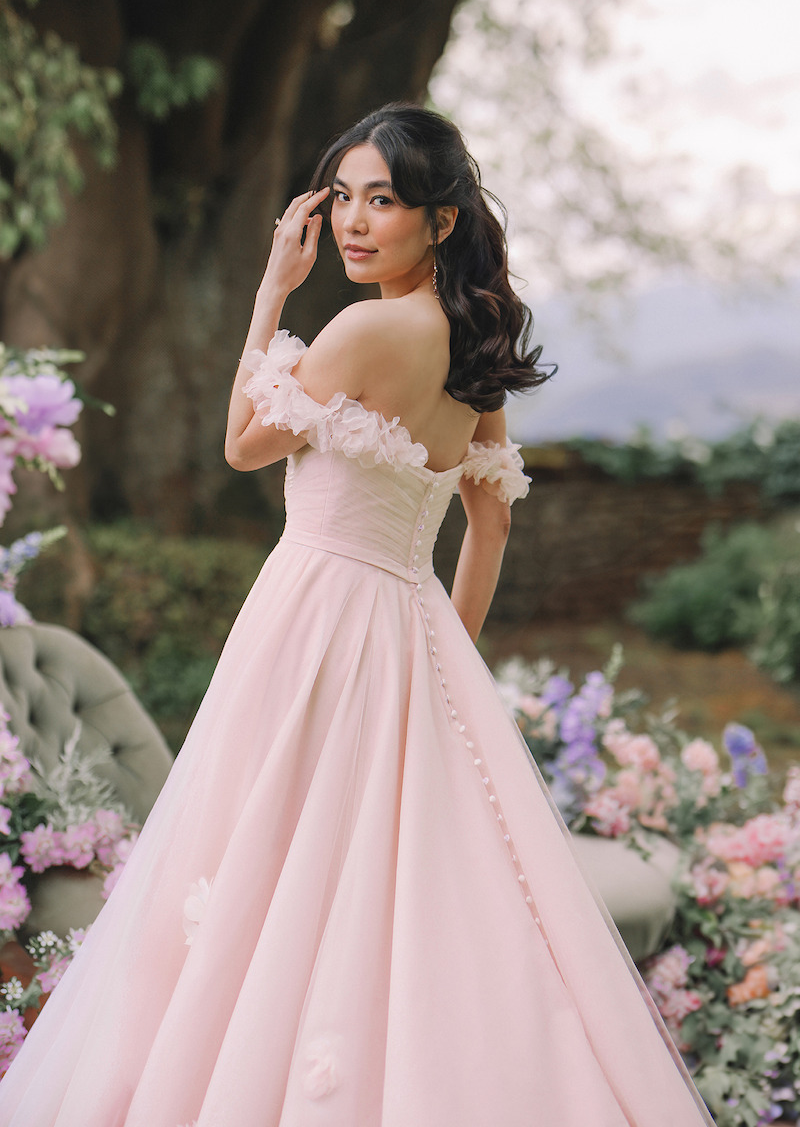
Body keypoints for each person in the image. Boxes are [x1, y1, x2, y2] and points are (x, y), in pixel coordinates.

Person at [0, 104, 715, 1126]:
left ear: (439, 219)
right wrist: (441, 664)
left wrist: (269, 291)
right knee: (387, 892)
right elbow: (489, 528)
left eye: (382, 200)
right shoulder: (477, 345)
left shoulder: (364, 326)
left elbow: (243, 442)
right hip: (409, 625)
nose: (352, 220)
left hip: (313, 620)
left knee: (272, 867)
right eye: (342, 196)